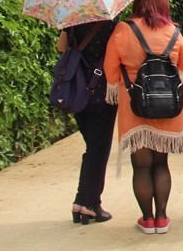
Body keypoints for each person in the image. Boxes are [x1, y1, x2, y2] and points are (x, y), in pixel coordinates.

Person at [104, 0, 183, 235]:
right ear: (164, 3)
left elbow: (110, 71)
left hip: (134, 105)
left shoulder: (123, 29)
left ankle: (147, 219)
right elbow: (181, 70)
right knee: (161, 164)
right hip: (168, 105)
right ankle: (162, 219)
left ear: (137, 1)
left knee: (141, 166)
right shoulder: (174, 32)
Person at [57, 19, 118, 226]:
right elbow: (115, 55)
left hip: (76, 91)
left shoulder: (71, 21)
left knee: (91, 148)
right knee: (98, 151)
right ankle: (91, 205)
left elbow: (61, 48)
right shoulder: (111, 25)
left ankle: (81, 201)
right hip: (100, 93)